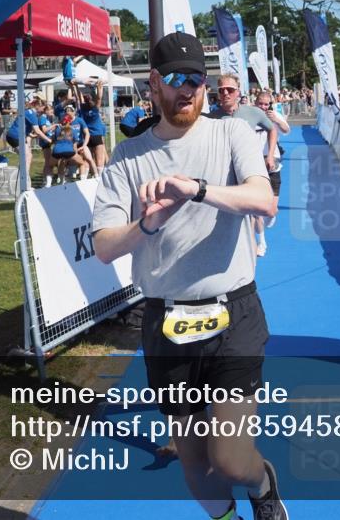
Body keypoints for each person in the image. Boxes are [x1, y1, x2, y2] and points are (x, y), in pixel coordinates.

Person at [92, 33, 285, 520]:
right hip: (166, 321)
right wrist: (148, 224)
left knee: (231, 458)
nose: (188, 90)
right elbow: (102, 247)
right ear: (153, 84)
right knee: (196, 464)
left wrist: (196, 190)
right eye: (175, 80)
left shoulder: (231, 135)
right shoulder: (127, 158)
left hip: (232, 312)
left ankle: (263, 487)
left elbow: (264, 201)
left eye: (196, 80)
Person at [210, 75, 278, 258]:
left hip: (249, 170)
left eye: (230, 90)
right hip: (223, 174)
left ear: (238, 93)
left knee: (255, 211)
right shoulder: (211, 117)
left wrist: (270, 155)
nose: (225, 93)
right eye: (221, 90)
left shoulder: (253, 113)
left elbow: (272, 129)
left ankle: (260, 242)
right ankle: (243, 247)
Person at [5, 98, 52, 180]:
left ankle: (20, 177)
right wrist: (49, 140)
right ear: (38, 106)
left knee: (25, 157)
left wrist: (30, 135)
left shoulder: (29, 112)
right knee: (28, 156)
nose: (44, 111)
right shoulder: (32, 114)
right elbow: (37, 131)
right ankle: (24, 179)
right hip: (16, 136)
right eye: (43, 108)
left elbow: (22, 125)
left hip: (14, 136)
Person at [51, 106, 96, 181]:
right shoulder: (63, 123)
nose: (68, 112)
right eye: (66, 111)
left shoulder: (79, 120)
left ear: (74, 112)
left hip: (80, 144)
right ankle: (63, 178)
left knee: (88, 158)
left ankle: (96, 175)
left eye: (69, 110)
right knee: (64, 161)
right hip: (70, 146)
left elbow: (87, 133)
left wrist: (84, 145)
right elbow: (57, 137)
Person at [76, 79, 108, 176]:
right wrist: (99, 87)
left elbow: (78, 97)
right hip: (97, 135)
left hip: (87, 137)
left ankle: (84, 178)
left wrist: (76, 86)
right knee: (100, 159)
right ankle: (99, 178)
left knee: (87, 159)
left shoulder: (82, 109)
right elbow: (99, 98)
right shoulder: (94, 110)